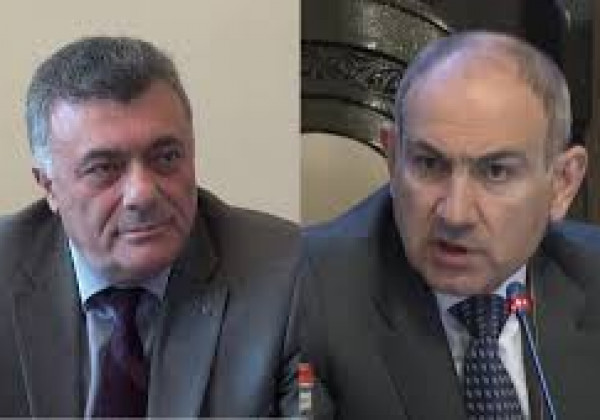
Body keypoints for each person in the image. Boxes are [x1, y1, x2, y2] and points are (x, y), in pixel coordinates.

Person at [300, 31, 600, 419]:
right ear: (393, 160)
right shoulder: (305, 296)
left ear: (562, 183)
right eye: (429, 164)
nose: (455, 214)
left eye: (495, 172)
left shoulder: (589, 274)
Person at [0, 36, 299, 417]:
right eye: (103, 168)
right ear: (49, 187)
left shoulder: (289, 276)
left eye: (166, 157)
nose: (142, 194)